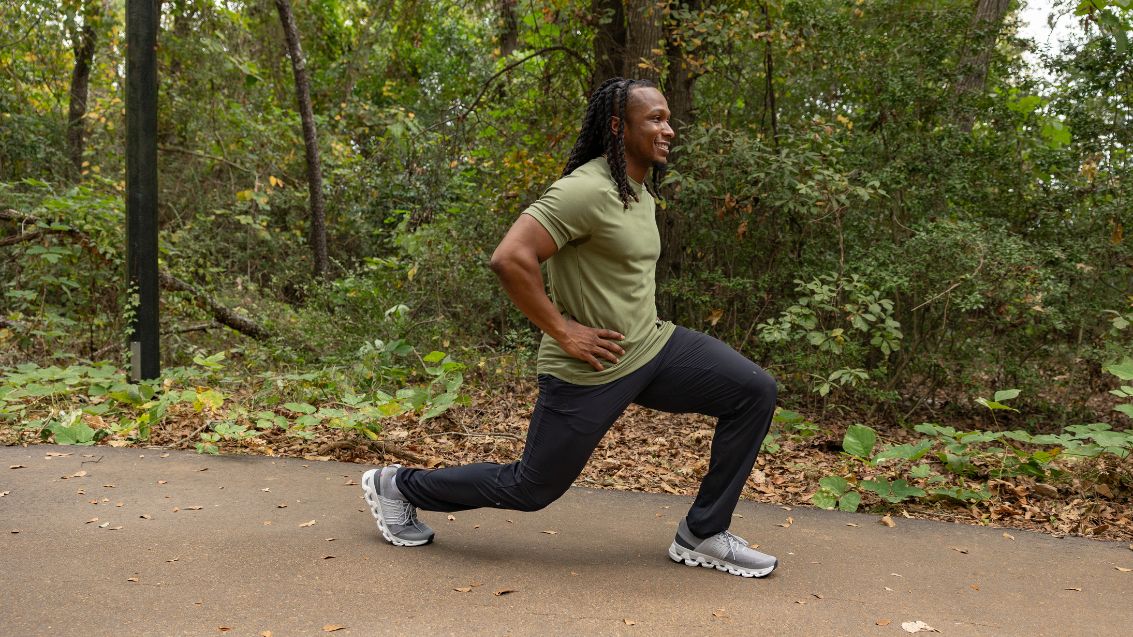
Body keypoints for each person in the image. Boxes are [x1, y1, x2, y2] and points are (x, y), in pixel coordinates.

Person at [361, 77, 779, 578]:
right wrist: (564, 331)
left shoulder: (639, 191)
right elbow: (510, 257)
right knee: (530, 488)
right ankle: (399, 485)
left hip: (651, 346)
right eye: (655, 119)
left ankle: (703, 533)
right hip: (591, 367)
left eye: (668, 119)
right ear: (618, 127)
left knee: (753, 390)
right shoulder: (585, 189)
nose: (668, 129)